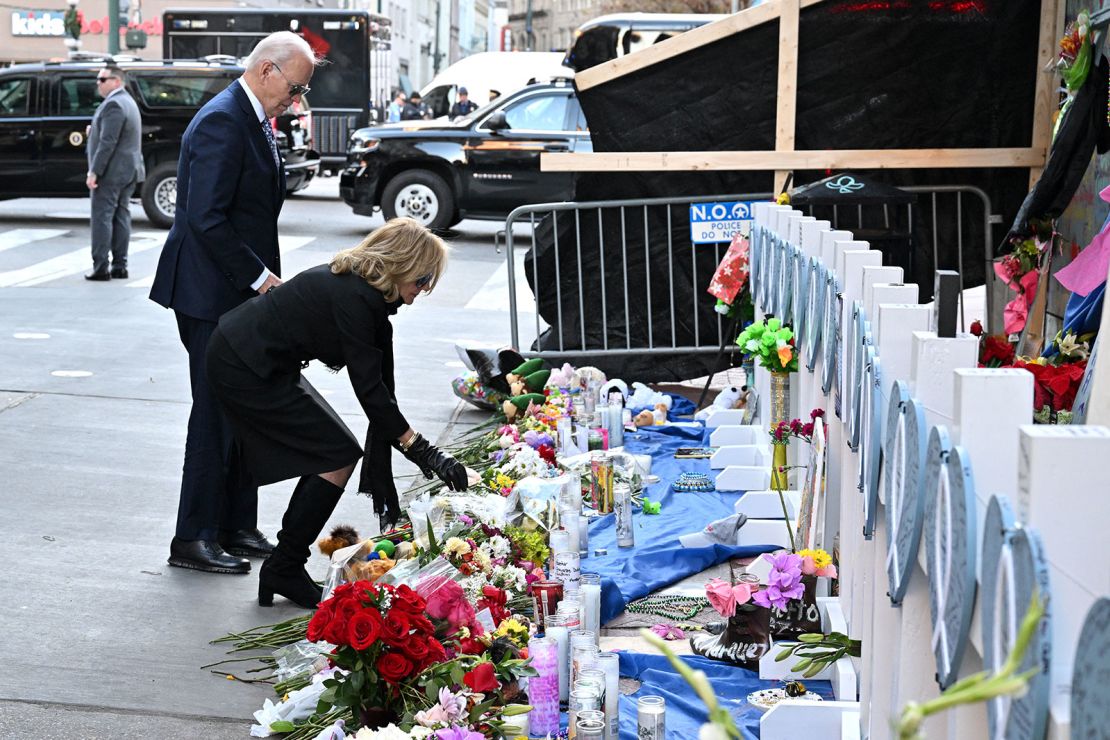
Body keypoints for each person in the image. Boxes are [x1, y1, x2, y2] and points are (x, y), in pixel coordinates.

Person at [205, 217, 468, 608]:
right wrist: (423, 450)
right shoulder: (356, 298)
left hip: (256, 357)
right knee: (337, 453)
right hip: (243, 362)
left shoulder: (365, 294)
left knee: (335, 452)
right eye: (423, 279)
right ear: (403, 265)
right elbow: (370, 391)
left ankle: (283, 565)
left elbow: (379, 391)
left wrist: (416, 446)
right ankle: (284, 566)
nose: (424, 290)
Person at [149, 31, 320, 575]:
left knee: (243, 405)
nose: (296, 101)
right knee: (215, 410)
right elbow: (206, 217)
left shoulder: (252, 116)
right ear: (267, 70)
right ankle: (193, 536)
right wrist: (263, 280)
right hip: (209, 292)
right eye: (295, 89)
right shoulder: (224, 119)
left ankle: (235, 524)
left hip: (233, 291)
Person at [84, 65, 144, 281]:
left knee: (102, 218)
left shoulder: (114, 105)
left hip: (111, 172)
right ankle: (120, 265)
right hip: (129, 170)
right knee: (121, 216)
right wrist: (94, 131)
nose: (98, 83)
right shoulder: (127, 102)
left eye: (102, 79)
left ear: (116, 81)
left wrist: (94, 171)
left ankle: (100, 267)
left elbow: (108, 143)